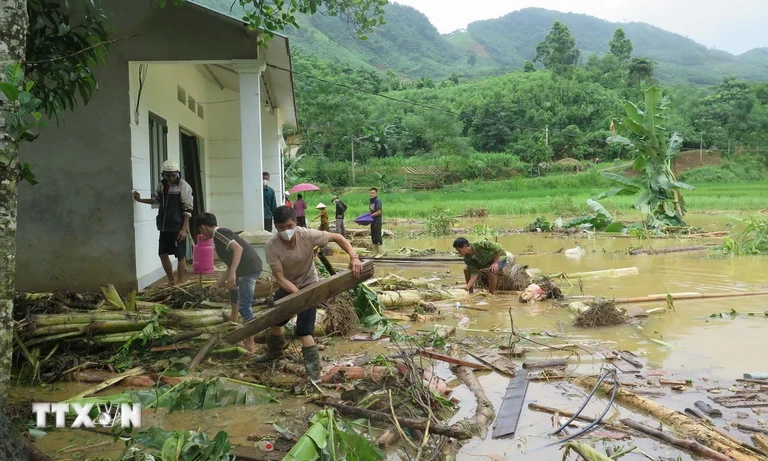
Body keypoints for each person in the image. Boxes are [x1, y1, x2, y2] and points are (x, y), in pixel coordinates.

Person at [260, 206, 363, 381]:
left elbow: (338, 238)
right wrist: (297, 294)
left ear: (296, 222)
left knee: (304, 331)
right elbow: (279, 277)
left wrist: (353, 256)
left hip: (309, 284)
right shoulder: (272, 245)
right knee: (275, 320)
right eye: (281, 228)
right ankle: (275, 354)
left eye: (289, 226)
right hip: (287, 285)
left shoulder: (307, 235)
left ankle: (314, 375)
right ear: (276, 227)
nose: (286, 231)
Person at [198, 213, 262, 352]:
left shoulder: (220, 233)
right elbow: (230, 264)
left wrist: (233, 272)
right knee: (232, 288)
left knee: (245, 307)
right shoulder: (219, 237)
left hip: (249, 269)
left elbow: (238, 248)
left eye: (200, 230)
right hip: (246, 267)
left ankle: (250, 344)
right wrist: (217, 283)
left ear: (203, 227)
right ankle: (234, 323)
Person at [133, 160, 193, 286]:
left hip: (177, 226)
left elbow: (187, 210)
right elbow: (157, 200)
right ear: (163, 174)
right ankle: (171, 280)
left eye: (173, 175)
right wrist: (140, 200)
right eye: (168, 175)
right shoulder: (161, 185)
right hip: (164, 226)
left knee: (180, 255)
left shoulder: (183, 186)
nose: (171, 178)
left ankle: (179, 281)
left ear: (177, 173)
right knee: (162, 254)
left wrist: (183, 229)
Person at [369, 188, 383, 258]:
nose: (372, 194)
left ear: (376, 193)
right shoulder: (371, 201)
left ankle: (380, 253)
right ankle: (375, 252)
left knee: (377, 236)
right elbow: (372, 211)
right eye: (371, 193)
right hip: (372, 221)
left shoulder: (377, 201)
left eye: (373, 193)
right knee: (373, 236)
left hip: (377, 221)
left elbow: (379, 212)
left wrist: (370, 215)